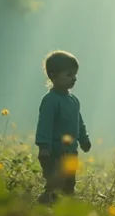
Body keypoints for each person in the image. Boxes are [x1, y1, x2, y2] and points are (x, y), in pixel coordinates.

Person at [34, 50, 92, 204]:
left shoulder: (74, 101)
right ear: (53, 76)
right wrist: (44, 147)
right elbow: (44, 124)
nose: (73, 78)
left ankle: (65, 210)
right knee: (55, 184)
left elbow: (78, 121)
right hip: (55, 153)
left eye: (75, 75)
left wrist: (84, 139)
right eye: (69, 74)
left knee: (69, 184)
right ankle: (44, 206)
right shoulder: (50, 100)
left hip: (72, 152)